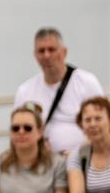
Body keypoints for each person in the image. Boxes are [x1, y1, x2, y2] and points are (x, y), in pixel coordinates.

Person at [14, 27, 105, 155]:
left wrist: (75, 154)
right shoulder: (25, 91)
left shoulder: (86, 82)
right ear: (35, 55)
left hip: (84, 156)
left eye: (51, 50)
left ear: (64, 52)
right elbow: (17, 132)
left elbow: (104, 125)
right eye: (41, 51)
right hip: (42, 160)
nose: (47, 55)